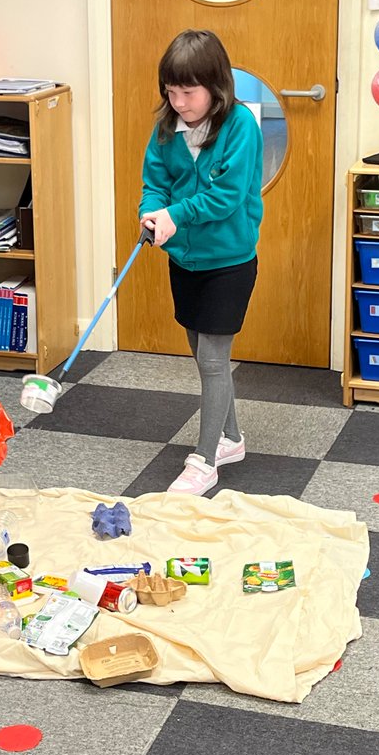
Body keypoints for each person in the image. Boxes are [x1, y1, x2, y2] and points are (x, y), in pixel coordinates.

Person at [138, 29, 264, 497]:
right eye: (170, 92)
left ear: (216, 86)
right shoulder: (168, 127)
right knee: (201, 352)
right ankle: (230, 438)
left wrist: (176, 214)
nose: (178, 102)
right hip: (185, 259)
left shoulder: (240, 128)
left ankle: (205, 460)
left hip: (229, 261)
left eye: (187, 92)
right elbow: (156, 181)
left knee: (213, 358)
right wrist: (151, 213)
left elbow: (226, 198)